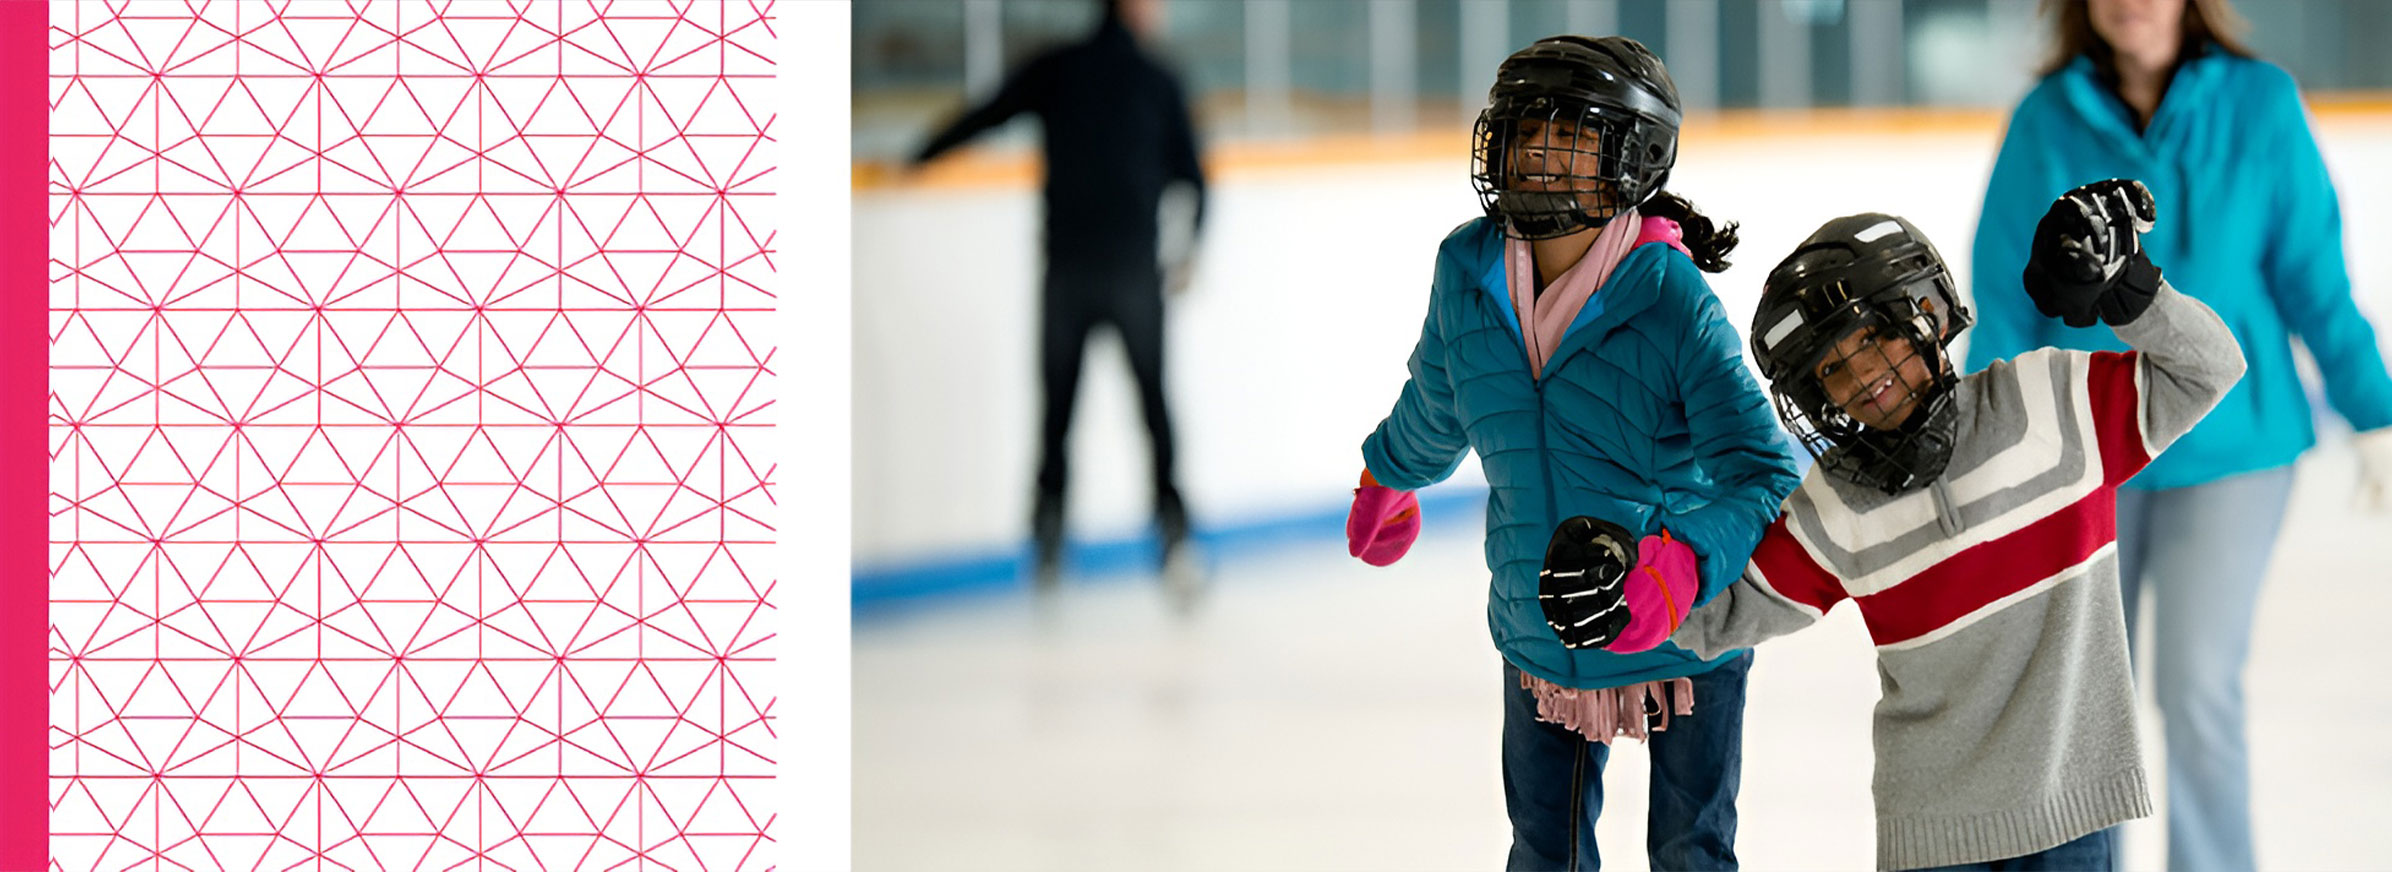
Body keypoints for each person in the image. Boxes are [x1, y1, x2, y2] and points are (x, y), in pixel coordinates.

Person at [1575, 181, 2243, 870]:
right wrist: (1622, 594)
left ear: (1925, 313)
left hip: (2070, 820)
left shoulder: (2051, 406)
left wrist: (2128, 289)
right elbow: (1725, 611)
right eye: (1830, 368)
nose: (1862, 375)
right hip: (1931, 837)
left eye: (1872, 339)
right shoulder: (1834, 505)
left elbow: (2207, 370)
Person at [1344, 35, 1801, 870]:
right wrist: (1387, 473)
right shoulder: (1465, 269)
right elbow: (1439, 400)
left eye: (1574, 138)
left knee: (1690, 851)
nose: (1544, 158)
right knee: (1542, 852)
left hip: (1685, 635)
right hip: (1536, 624)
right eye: (1529, 133)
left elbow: (1767, 473)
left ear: (1634, 159)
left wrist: (1680, 568)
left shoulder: (1671, 297)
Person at [1968, 2, 2392, 867]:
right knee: (2086, 702)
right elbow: (2005, 300)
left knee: (2198, 689)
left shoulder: (2261, 102)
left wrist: (2374, 410)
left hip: (2233, 452)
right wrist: (1979, 437)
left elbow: (2313, 275)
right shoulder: (2043, 119)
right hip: (2086, 455)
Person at [910, 0, 1209, 597]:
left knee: (1060, 416)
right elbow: (1195, 177)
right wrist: (1187, 250)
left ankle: (1050, 545)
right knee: (1151, 412)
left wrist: (918, 156)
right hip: (1126, 275)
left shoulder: (1060, 67)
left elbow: (986, 114)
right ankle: (1171, 541)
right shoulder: (1156, 78)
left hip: (1070, 275)